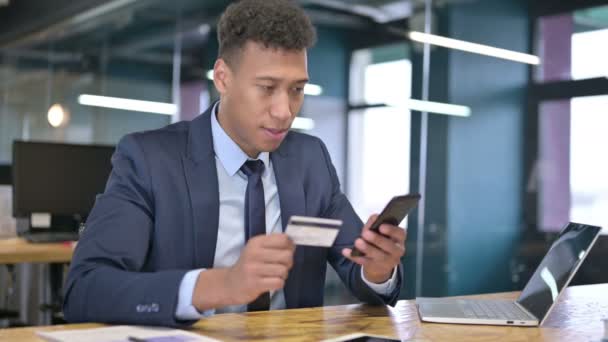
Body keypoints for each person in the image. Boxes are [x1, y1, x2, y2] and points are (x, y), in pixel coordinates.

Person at [63, 0, 406, 327]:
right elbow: (86, 289)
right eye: (267, 87)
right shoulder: (149, 160)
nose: (284, 111)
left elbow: (355, 266)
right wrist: (220, 285)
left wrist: (376, 270)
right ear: (223, 78)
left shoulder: (310, 160)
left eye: (297, 89)